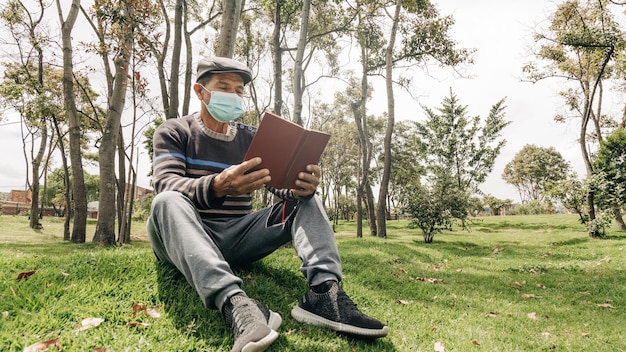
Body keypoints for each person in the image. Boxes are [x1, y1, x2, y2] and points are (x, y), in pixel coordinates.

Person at [146, 56, 388, 352]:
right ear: (200, 91)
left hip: (239, 236)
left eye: (238, 90)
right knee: (166, 200)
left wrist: (303, 187)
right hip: (185, 239)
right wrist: (218, 185)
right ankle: (236, 304)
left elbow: (281, 191)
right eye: (223, 87)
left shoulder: (251, 138)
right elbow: (167, 184)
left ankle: (324, 294)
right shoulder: (174, 131)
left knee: (306, 201)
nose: (233, 95)